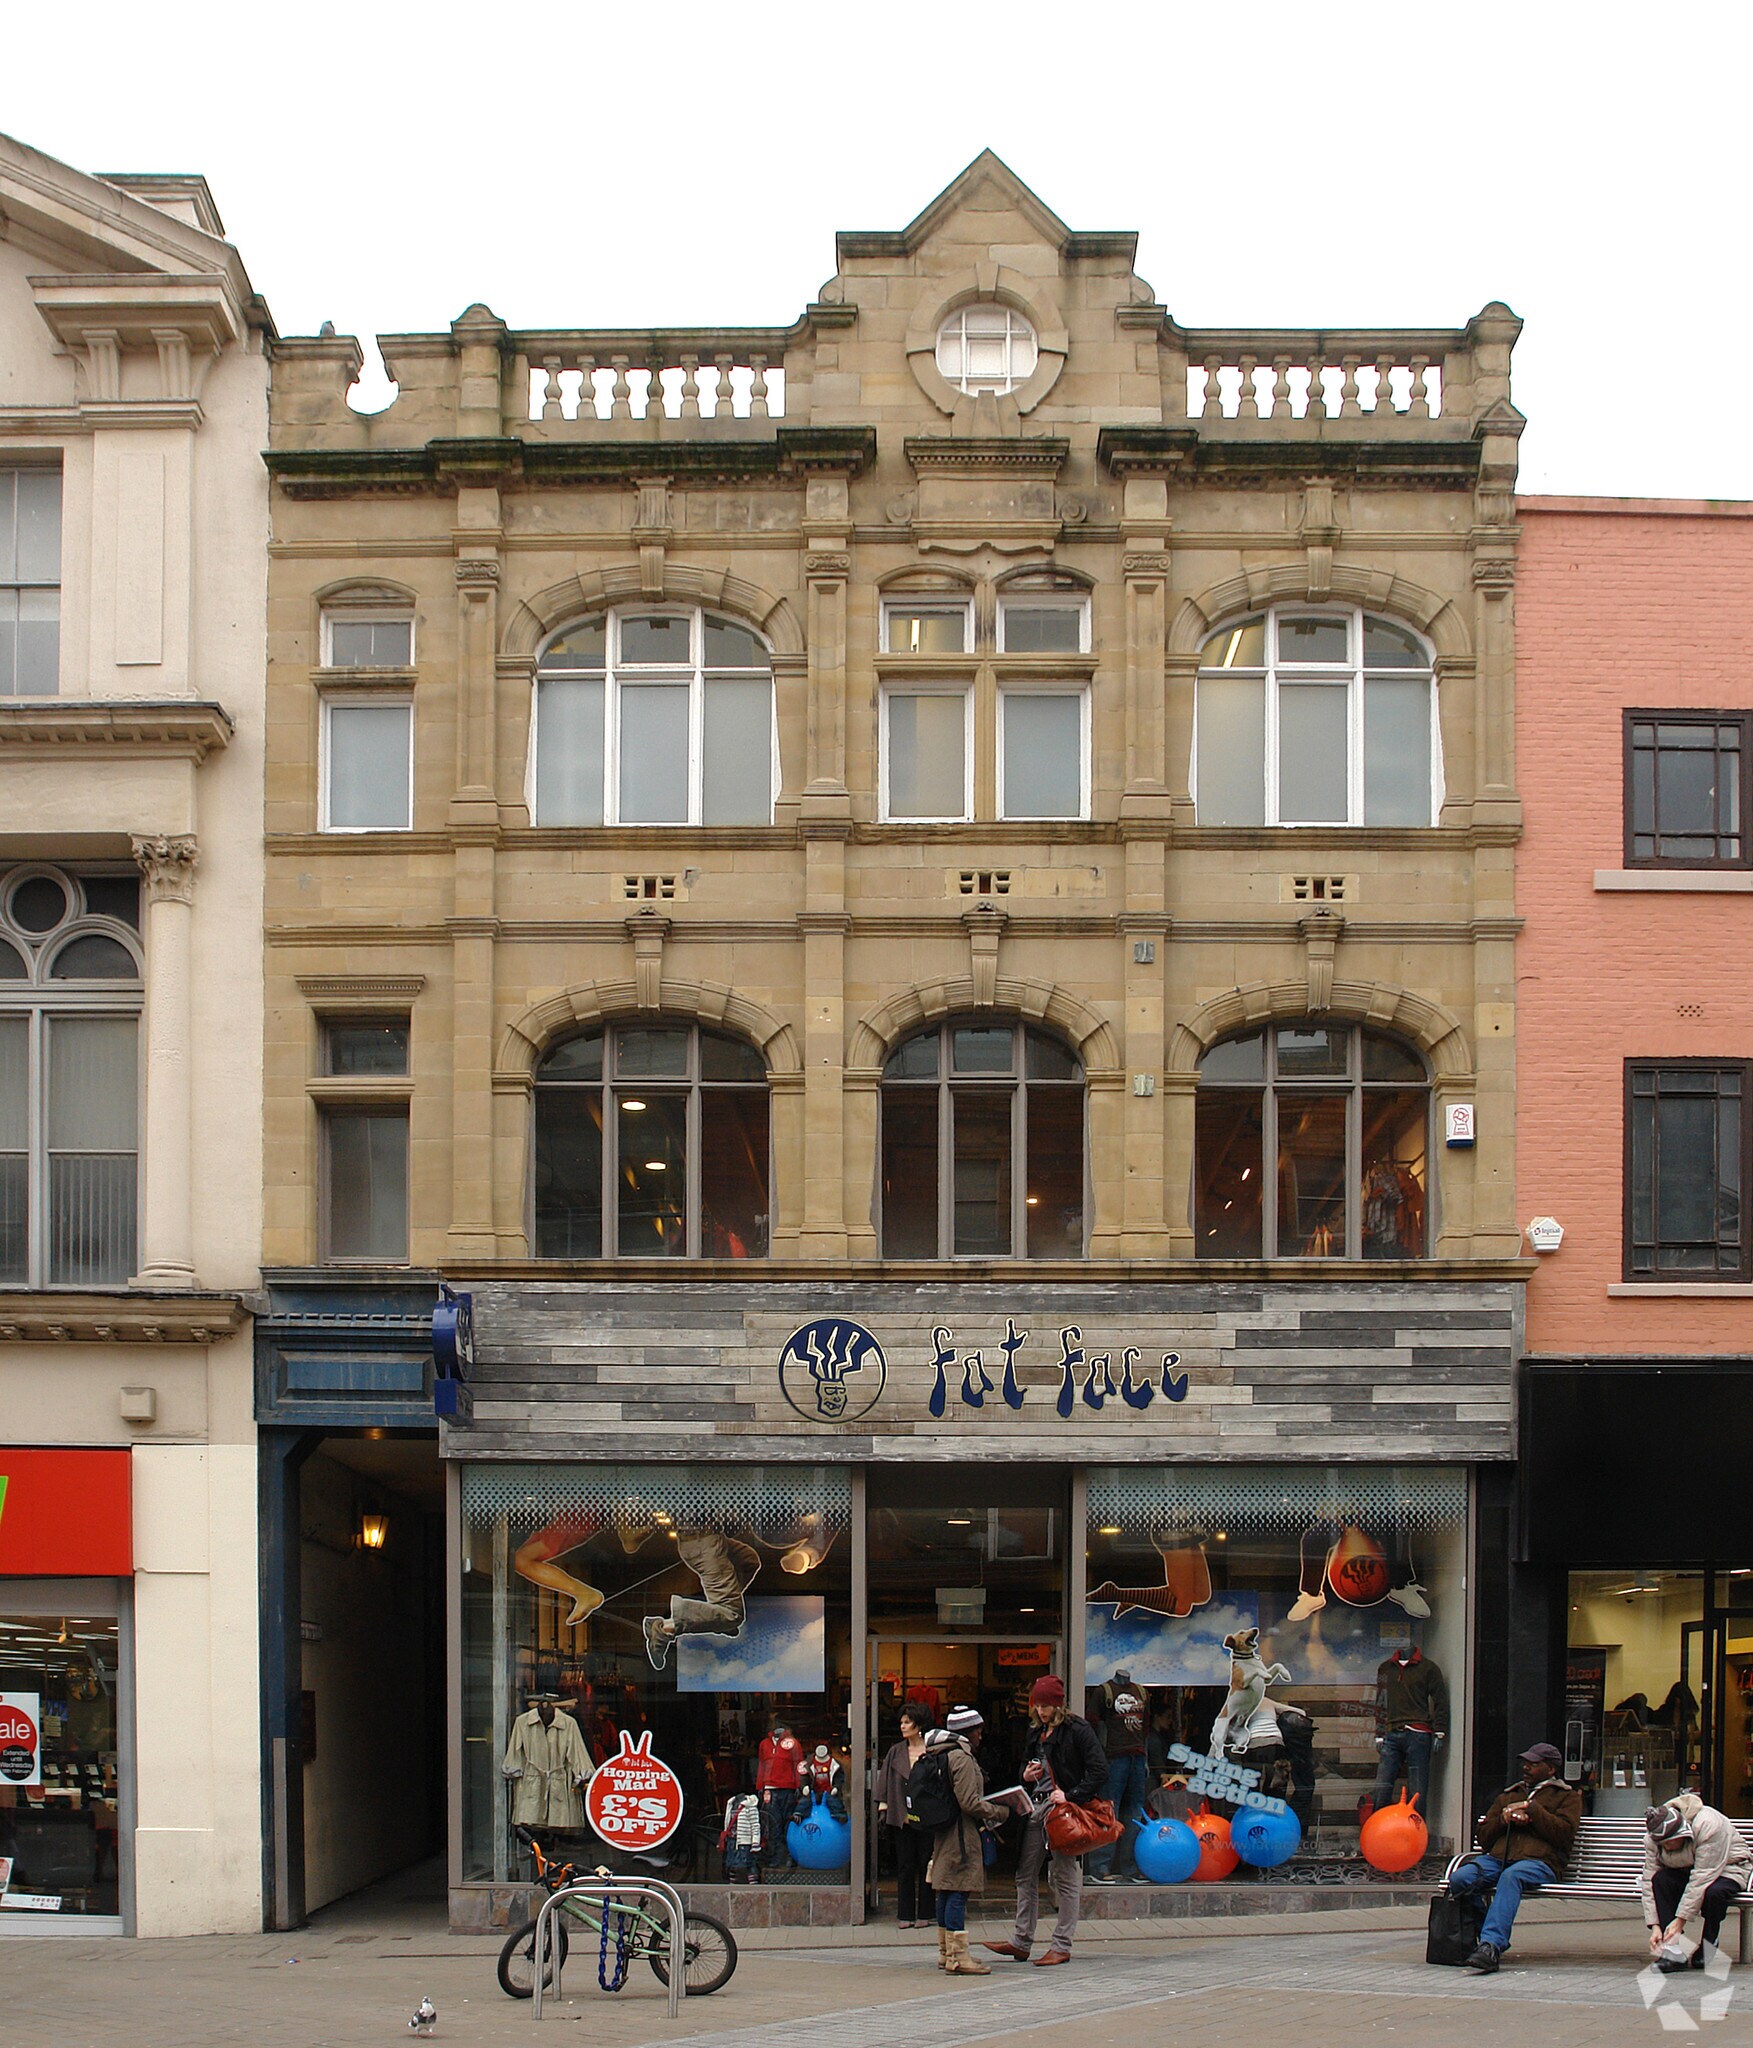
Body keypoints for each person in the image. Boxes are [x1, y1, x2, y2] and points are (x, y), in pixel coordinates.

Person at [985, 1674, 1108, 1967]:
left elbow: (1099, 1770)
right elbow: (1026, 1770)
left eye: (1046, 1705)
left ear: (1058, 1704)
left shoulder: (1078, 1729)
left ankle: (1061, 1945)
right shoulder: (1035, 1732)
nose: (1041, 1711)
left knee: (1064, 1878)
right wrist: (1025, 1777)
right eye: (1037, 1705)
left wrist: (1071, 1795)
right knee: (1024, 1874)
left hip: (1063, 1812)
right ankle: (1021, 1940)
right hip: (1037, 1808)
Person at [1447, 1741, 1582, 1974]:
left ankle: (1490, 1945)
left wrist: (1532, 1811)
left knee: (1512, 1876)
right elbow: (1484, 1838)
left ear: (1550, 1769)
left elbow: (1563, 1835)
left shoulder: (1566, 1797)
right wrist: (1503, 1819)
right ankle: (1487, 1936)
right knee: (1461, 1878)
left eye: (1534, 1764)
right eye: (1526, 1763)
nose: (1526, 1768)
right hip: (1498, 1859)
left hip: (1540, 1862)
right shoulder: (1509, 1795)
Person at [923, 1708, 1010, 1976]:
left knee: (945, 1890)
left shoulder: (938, 1754)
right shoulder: (961, 1758)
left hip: (943, 1832)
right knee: (958, 1892)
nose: (980, 1736)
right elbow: (969, 1802)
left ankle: (945, 1953)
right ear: (966, 1732)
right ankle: (959, 1958)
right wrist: (1001, 1811)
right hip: (961, 1835)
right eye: (977, 1731)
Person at [1641, 1795, 1753, 1969]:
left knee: (1714, 1892)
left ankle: (1709, 1942)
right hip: (1687, 1868)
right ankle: (1673, 1952)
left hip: (1729, 1868)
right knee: (1661, 1880)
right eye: (1663, 1844)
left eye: (1670, 1842)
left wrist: (1679, 1921)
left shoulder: (1708, 1824)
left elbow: (1702, 1877)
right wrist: (1655, 1926)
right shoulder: (1653, 1837)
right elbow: (1648, 1878)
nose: (1667, 1847)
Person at [643, 1529, 761, 1669]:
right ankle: (664, 1630)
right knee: (733, 1615)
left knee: (748, 1561)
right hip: (706, 1546)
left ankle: (717, 1617)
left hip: (706, 1539)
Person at [1085, 1670, 1150, 1884]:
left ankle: (1129, 1866)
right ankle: (1100, 1866)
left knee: (1134, 1811)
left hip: (1137, 1756)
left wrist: (1145, 1757)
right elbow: (1092, 1725)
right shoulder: (1104, 1691)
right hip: (1113, 1757)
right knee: (1108, 1811)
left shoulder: (1140, 1691)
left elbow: (1146, 1727)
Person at [875, 1706, 936, 1926]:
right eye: (901, 1722)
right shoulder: (896, 1751)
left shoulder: (932, 1750)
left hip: (927, 1816)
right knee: (905, 1865)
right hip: (902, 1816)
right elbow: (885, 1780)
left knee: (926, 1863)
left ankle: (926, 1913)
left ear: (918, 1725)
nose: (902, 1726)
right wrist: (883, 1808)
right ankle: (905, 1914)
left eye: (907, 1722)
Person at [500, 1689, 594, 1830]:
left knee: (558, 1818)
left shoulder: (569, 1724)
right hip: (532, 1782)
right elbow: (514, 1756)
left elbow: (578, 1754)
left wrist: (582, 1774)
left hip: (559, 1782)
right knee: (533, 1813)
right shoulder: (522, 1723)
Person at [1371, 1645, 1448, 1814]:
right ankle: (1376, 1830)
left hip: (1418, 1733)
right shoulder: (1385, 1668)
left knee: (1417, 1789)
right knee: (1382, 1786)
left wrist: (1439, 1732)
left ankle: (1416, 1831)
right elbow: (1381, 1701)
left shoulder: (1429, 1668)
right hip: (1392, 1732)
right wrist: (1379, 1733)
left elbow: (1440, 1700)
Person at [755, 1717, 804, 1873]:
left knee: (788, 1825)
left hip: (787, 1789)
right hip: (770, 1789)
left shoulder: (793, 1744)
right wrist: (760, 1786)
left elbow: (798, 1765)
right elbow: (761, 1765)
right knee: (773, 1825)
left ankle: (790, 1856)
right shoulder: (764, 1744)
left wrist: (799, 1786)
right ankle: (777, 1856)